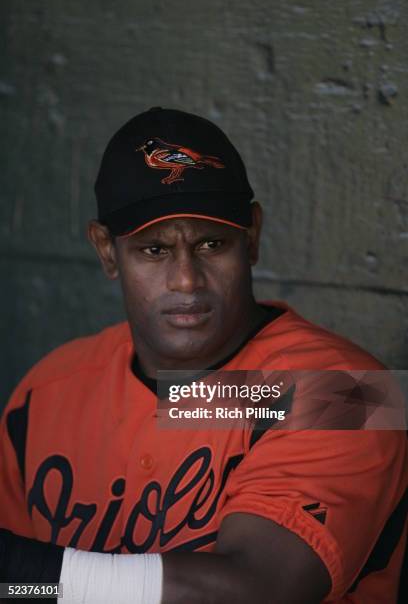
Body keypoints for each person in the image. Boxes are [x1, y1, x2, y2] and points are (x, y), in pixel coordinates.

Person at [0, 107, 406, 604]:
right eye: (154, 251)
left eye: (212, 244)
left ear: (251, 236)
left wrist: (20, 570)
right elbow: (19, 592)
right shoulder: (47, 392)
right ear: (107, 251)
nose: (187, 280)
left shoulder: (353, 391)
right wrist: (21, 581)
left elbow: (260, 591)